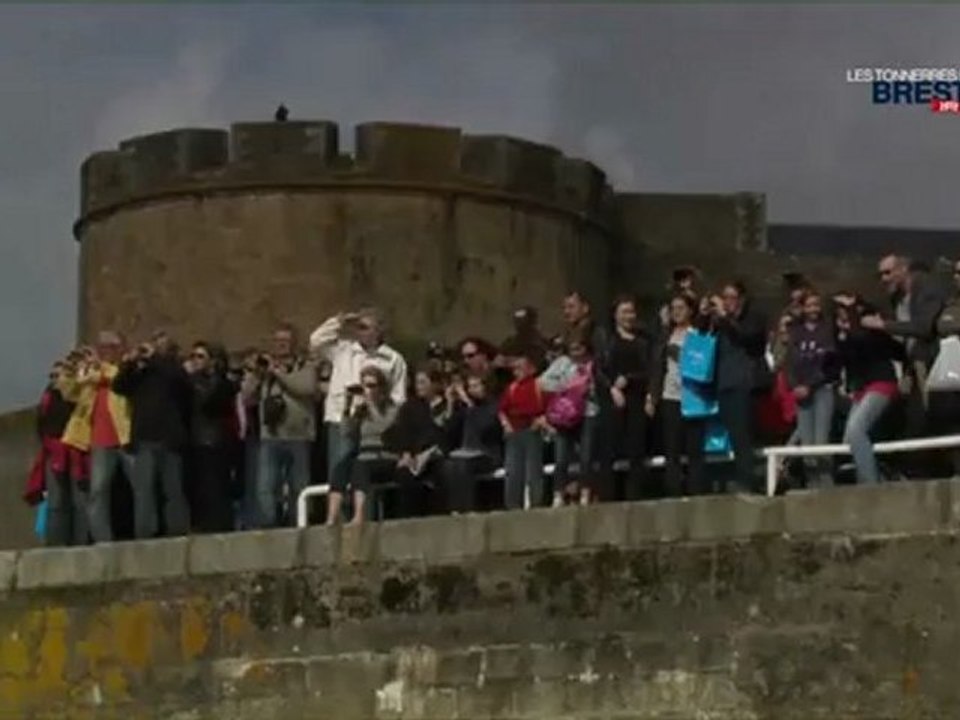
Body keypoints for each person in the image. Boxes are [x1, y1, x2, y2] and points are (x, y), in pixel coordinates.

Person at [309, 309, 407, 489]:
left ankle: (364, 516)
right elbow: (315, 341)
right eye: (358, 327)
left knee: (363, 476)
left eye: (364, 327)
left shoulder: (393, 359)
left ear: (378, 331)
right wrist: (339, 321)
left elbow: (398, 397)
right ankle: (340, 516)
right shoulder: (343, 350)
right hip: (342, 420)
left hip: (373, 425)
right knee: (339, 473)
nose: (359, 331)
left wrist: (384, 418)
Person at [112, 331, 192, 539]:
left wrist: (155, 358)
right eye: (154, 343)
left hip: (170, 438)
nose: (154, 348)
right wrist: (129, 364)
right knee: (143, 491)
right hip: (144, 437)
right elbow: (119, 387)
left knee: (172, 489)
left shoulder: (174, 369)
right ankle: (145, 533)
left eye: (160, 345)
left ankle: (177, 531)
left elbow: (181, 384)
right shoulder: (142, 373)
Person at [60, 332, 133, 543]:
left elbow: (117, 377)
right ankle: (102, 539)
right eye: (101, 347)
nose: (104, 352)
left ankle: (145, 532)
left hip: (125, 437)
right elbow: (68, 392)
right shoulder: (92, 374)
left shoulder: (124, 370)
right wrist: (70, 368)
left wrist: (97, 367)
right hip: (100, 441)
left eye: (110, 347)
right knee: (98, 492)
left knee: (140, 487)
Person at [705, 282, 768, 493]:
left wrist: (725, 318)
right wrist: (705, 314)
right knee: (731, 436)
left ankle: (747, 482)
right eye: (724, 297)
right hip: (724, 385)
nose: (727, 302)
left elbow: (747, 337)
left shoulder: (753, 319)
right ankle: (734, 479)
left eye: (731, 297)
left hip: (744, 384)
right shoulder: (720, 324)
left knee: (743, 436)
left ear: (741, 299)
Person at [835, 295, 903, 484]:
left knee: (857, 430)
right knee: (849, 438)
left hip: (881, 383)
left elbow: (863, 340)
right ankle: (879, 473)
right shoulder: (844, 335)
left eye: (847, 310)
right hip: (861, 389)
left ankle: (870, 483)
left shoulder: (871, 328)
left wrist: (853, 313)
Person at [647, 294, 707, 497]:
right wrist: (652, 396)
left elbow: (704, 362)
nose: (677, 312)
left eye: (681, 307)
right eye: (673, 308)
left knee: (694, 450)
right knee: (671, 449)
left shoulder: (698, 333)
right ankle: (673, 492)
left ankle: (695, 492)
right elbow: (657, 367)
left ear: (690, 310)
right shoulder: (666, 335)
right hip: (670, 395)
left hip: (694, 397)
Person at [325, 366, 399, 525]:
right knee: (340, 467)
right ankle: (332, 516)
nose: (368, 390)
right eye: (365, 385)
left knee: (360, 466)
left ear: (381, 387)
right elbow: (346, 432)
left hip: (384, 456)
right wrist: (347, 407)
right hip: (363, 454)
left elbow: (382, 426)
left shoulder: (392, 408)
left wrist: (371, 404)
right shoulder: (362, 410)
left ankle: (359, 515)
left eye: (372, 386)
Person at [785, 291, 839, 489]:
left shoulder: (827, 331)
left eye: (816, 305)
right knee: (807, 442)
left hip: (822, 388)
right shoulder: (795, 332)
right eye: (809, 305)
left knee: (821, 440)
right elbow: (788, 364)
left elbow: (829, 364)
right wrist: (794, 386)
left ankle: (826, 485)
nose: (813, 309)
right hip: (800, 393)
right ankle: (811, 484)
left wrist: (810, 385)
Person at [601, 294, 653, 500]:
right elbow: (599, 369)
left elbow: (650, 370)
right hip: (612, 399)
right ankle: (608, 497)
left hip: (636, 399)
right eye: (624, 312)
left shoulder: (643, 341)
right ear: (615, 315)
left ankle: (634, 497)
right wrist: (612, 388)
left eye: (631, 311)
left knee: (636, 451)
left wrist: (629, 379)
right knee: (608, 450)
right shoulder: (608, 340)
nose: (628, 316)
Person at [538, 333, 598, 506]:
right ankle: (558, 493)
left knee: (586, 456)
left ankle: (585, 492)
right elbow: (542, 382)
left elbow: (602, 386)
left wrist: (589, 389)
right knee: (561, 456)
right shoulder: (562, 363)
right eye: (572, 349)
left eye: (579, 348)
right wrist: (566, 387)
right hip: (566, 414)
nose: (576, 352)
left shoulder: (592, 364)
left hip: (588, 412)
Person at [185, 342, 238, 533]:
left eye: (200, 357)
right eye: (193, 356)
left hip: (215, 438)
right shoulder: (189, 382)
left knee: (217, 484)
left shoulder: (218, 382)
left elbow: (212, 403)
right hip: (196, 438)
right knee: (201, 486)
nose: (195, 361)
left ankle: (219, 523)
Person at [386, 368, 453, 517]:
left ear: (435, 384)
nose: (419, 387)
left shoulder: (447, 405)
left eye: (423, 382)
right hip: (416, 456)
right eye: (417, 383)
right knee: (405, 476)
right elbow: (402, 432)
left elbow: (450, 430)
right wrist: (406, 453)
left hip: (439, 454)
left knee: (444, 470)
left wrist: (450, 405)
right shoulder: (410, 407)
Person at [35, 360, 85, 546]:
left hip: (75, 449)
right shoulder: (48, 397)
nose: (55, 379)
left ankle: (79, 540)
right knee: (56, 501)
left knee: (78, 499)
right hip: (53, 451)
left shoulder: (75, 396)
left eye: (59, 375)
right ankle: (56, 542)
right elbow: (40, 424)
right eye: (53, 376)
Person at [441, 374, 503, 513]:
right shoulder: (465, 409)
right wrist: (450, 404)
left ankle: (468, 509)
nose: (472, 390)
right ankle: (455, 509)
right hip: (465, 452)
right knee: (448, 465)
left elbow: (487, 428)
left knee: (464, 466)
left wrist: (469, 404)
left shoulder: (493, 406)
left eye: (476, 386)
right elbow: (448, 432)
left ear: (484, 387)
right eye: (470, 387)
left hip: (487, 453)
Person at [498, 352, 548, 510]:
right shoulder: (511, 388)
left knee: (533, 470)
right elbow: (502, 410)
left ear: (531, 369)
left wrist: (541, 420)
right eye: (514, 369)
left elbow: (550, 407)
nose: (516, 372)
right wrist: (506, 425)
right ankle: (513, 505)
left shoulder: (538, 385)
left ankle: (536, 503)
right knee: (513, 471)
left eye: (520, 368)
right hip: (514, 431)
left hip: (532, 430)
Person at [497, 307, 549, 371]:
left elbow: (531, 366)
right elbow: (498, 360)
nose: (518, 324)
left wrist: (510, 362)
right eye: (517, 320)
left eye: (522, 321)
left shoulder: (539, 344)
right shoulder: (511, 340)